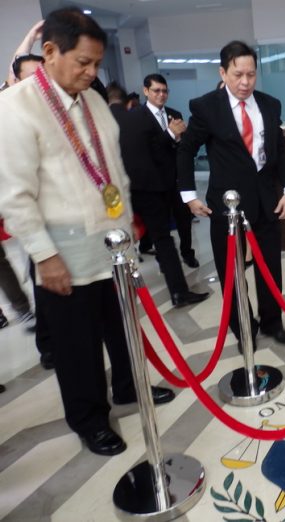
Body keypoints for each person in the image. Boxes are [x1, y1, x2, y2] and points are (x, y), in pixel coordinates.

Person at [0, 8, 174, 456]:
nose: (92, 73)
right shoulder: (16, 107)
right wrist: (44, 255)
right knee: (77, 342)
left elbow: (113, 170)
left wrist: (127, 227)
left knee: (120, 327)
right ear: (51, 52)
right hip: (62, 249)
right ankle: (89, 418)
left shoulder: (93, 100)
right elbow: (15, 195)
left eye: (97, 63)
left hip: (110, 240)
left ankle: (129, 387)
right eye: (83, 62)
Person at [177, 40, 285, 348]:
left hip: (267, 200)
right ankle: (243, 329)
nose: (245, 82)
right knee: (232, 273)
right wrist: (189, 195)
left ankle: (272, 323)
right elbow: (187, 149)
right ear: (223, 72)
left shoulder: (270, 105)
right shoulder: (206, 107)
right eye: (237, 74)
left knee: (270, 267)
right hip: (226, 206)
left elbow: (280, 150)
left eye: (251, 75)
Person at [113, 74, 207, 308]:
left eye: (164, 91)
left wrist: (178, 138)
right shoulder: (135, 118)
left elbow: (181, 148)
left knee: (183, 224)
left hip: (173, 183)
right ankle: (178, 292)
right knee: (162, 239)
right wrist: (169, 135)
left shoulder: (174, 114)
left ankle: (185, 259)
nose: (161, 95)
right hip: (149, 189)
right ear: (145, 91)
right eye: (156, 91)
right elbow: (141, 153)